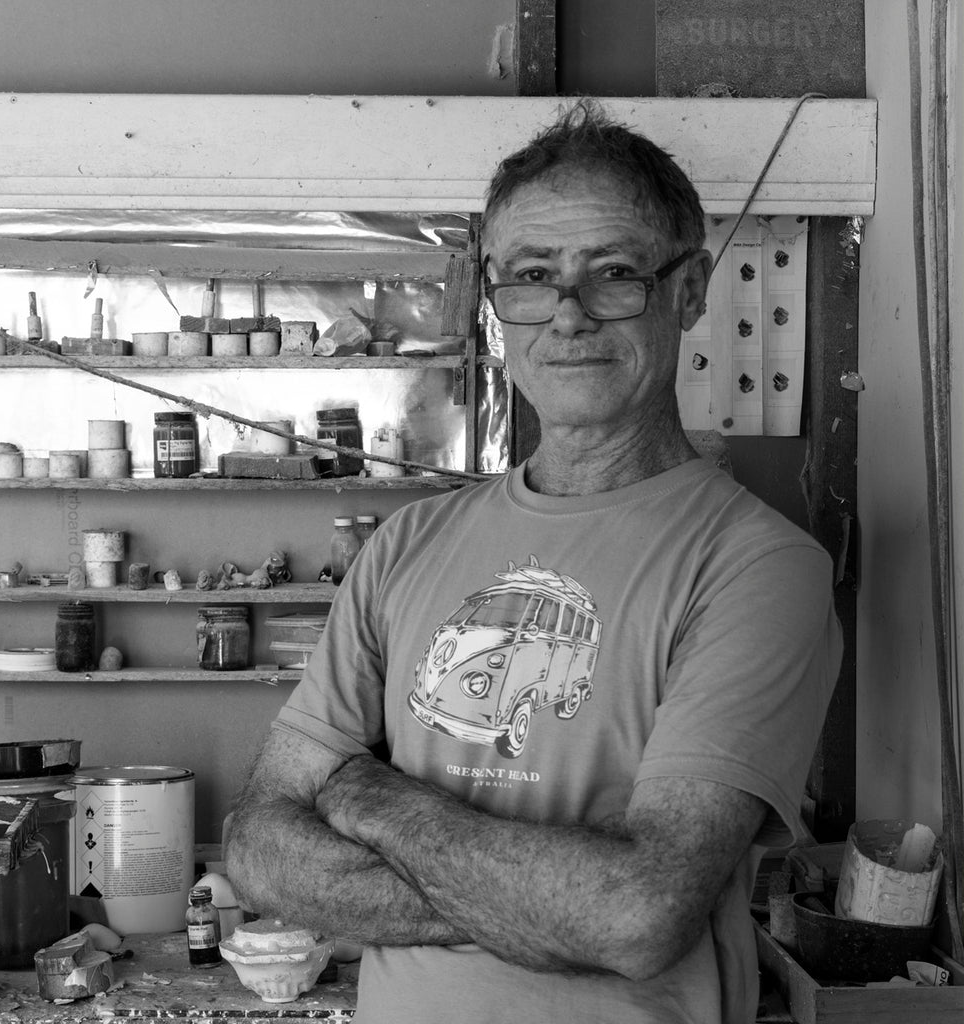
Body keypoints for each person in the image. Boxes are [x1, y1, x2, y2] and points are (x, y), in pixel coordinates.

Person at [225, 100, 843, 1024]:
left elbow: (638, 915)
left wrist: (371, 798)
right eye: (532, 275)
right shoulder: (406, 546)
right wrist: (543, 897)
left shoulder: (757, 566)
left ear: (689, 290)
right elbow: (262, 849)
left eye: (614, 273)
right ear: (495, 297)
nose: (566, 313)